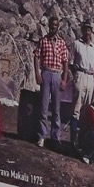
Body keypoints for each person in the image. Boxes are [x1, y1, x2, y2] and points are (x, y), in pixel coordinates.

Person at [33, 16, 69, 148]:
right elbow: (36, 56)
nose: (53, 27)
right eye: (51, 25)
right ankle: (42, 135)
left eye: (55, 25)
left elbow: (65, 62)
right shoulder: (43, 40)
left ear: (58, 27)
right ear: (49, 26)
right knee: (43, 107)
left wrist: (64, 79)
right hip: (46, 73)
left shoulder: (62, 43)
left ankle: (55, 137)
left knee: (56, 109)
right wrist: (37, 74)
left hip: (57, 75)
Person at [71, 24, 94, 142]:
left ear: (91, 32)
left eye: (89, 30)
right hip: (80, 74)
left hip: (90, 77)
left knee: (87, 110)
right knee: (76, 109)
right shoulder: (76, 44)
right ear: (82, 31)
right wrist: (76, 74)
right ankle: (73, 139)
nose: (87, 33)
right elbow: (71, 62)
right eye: (85, 30)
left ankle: (82, 139)